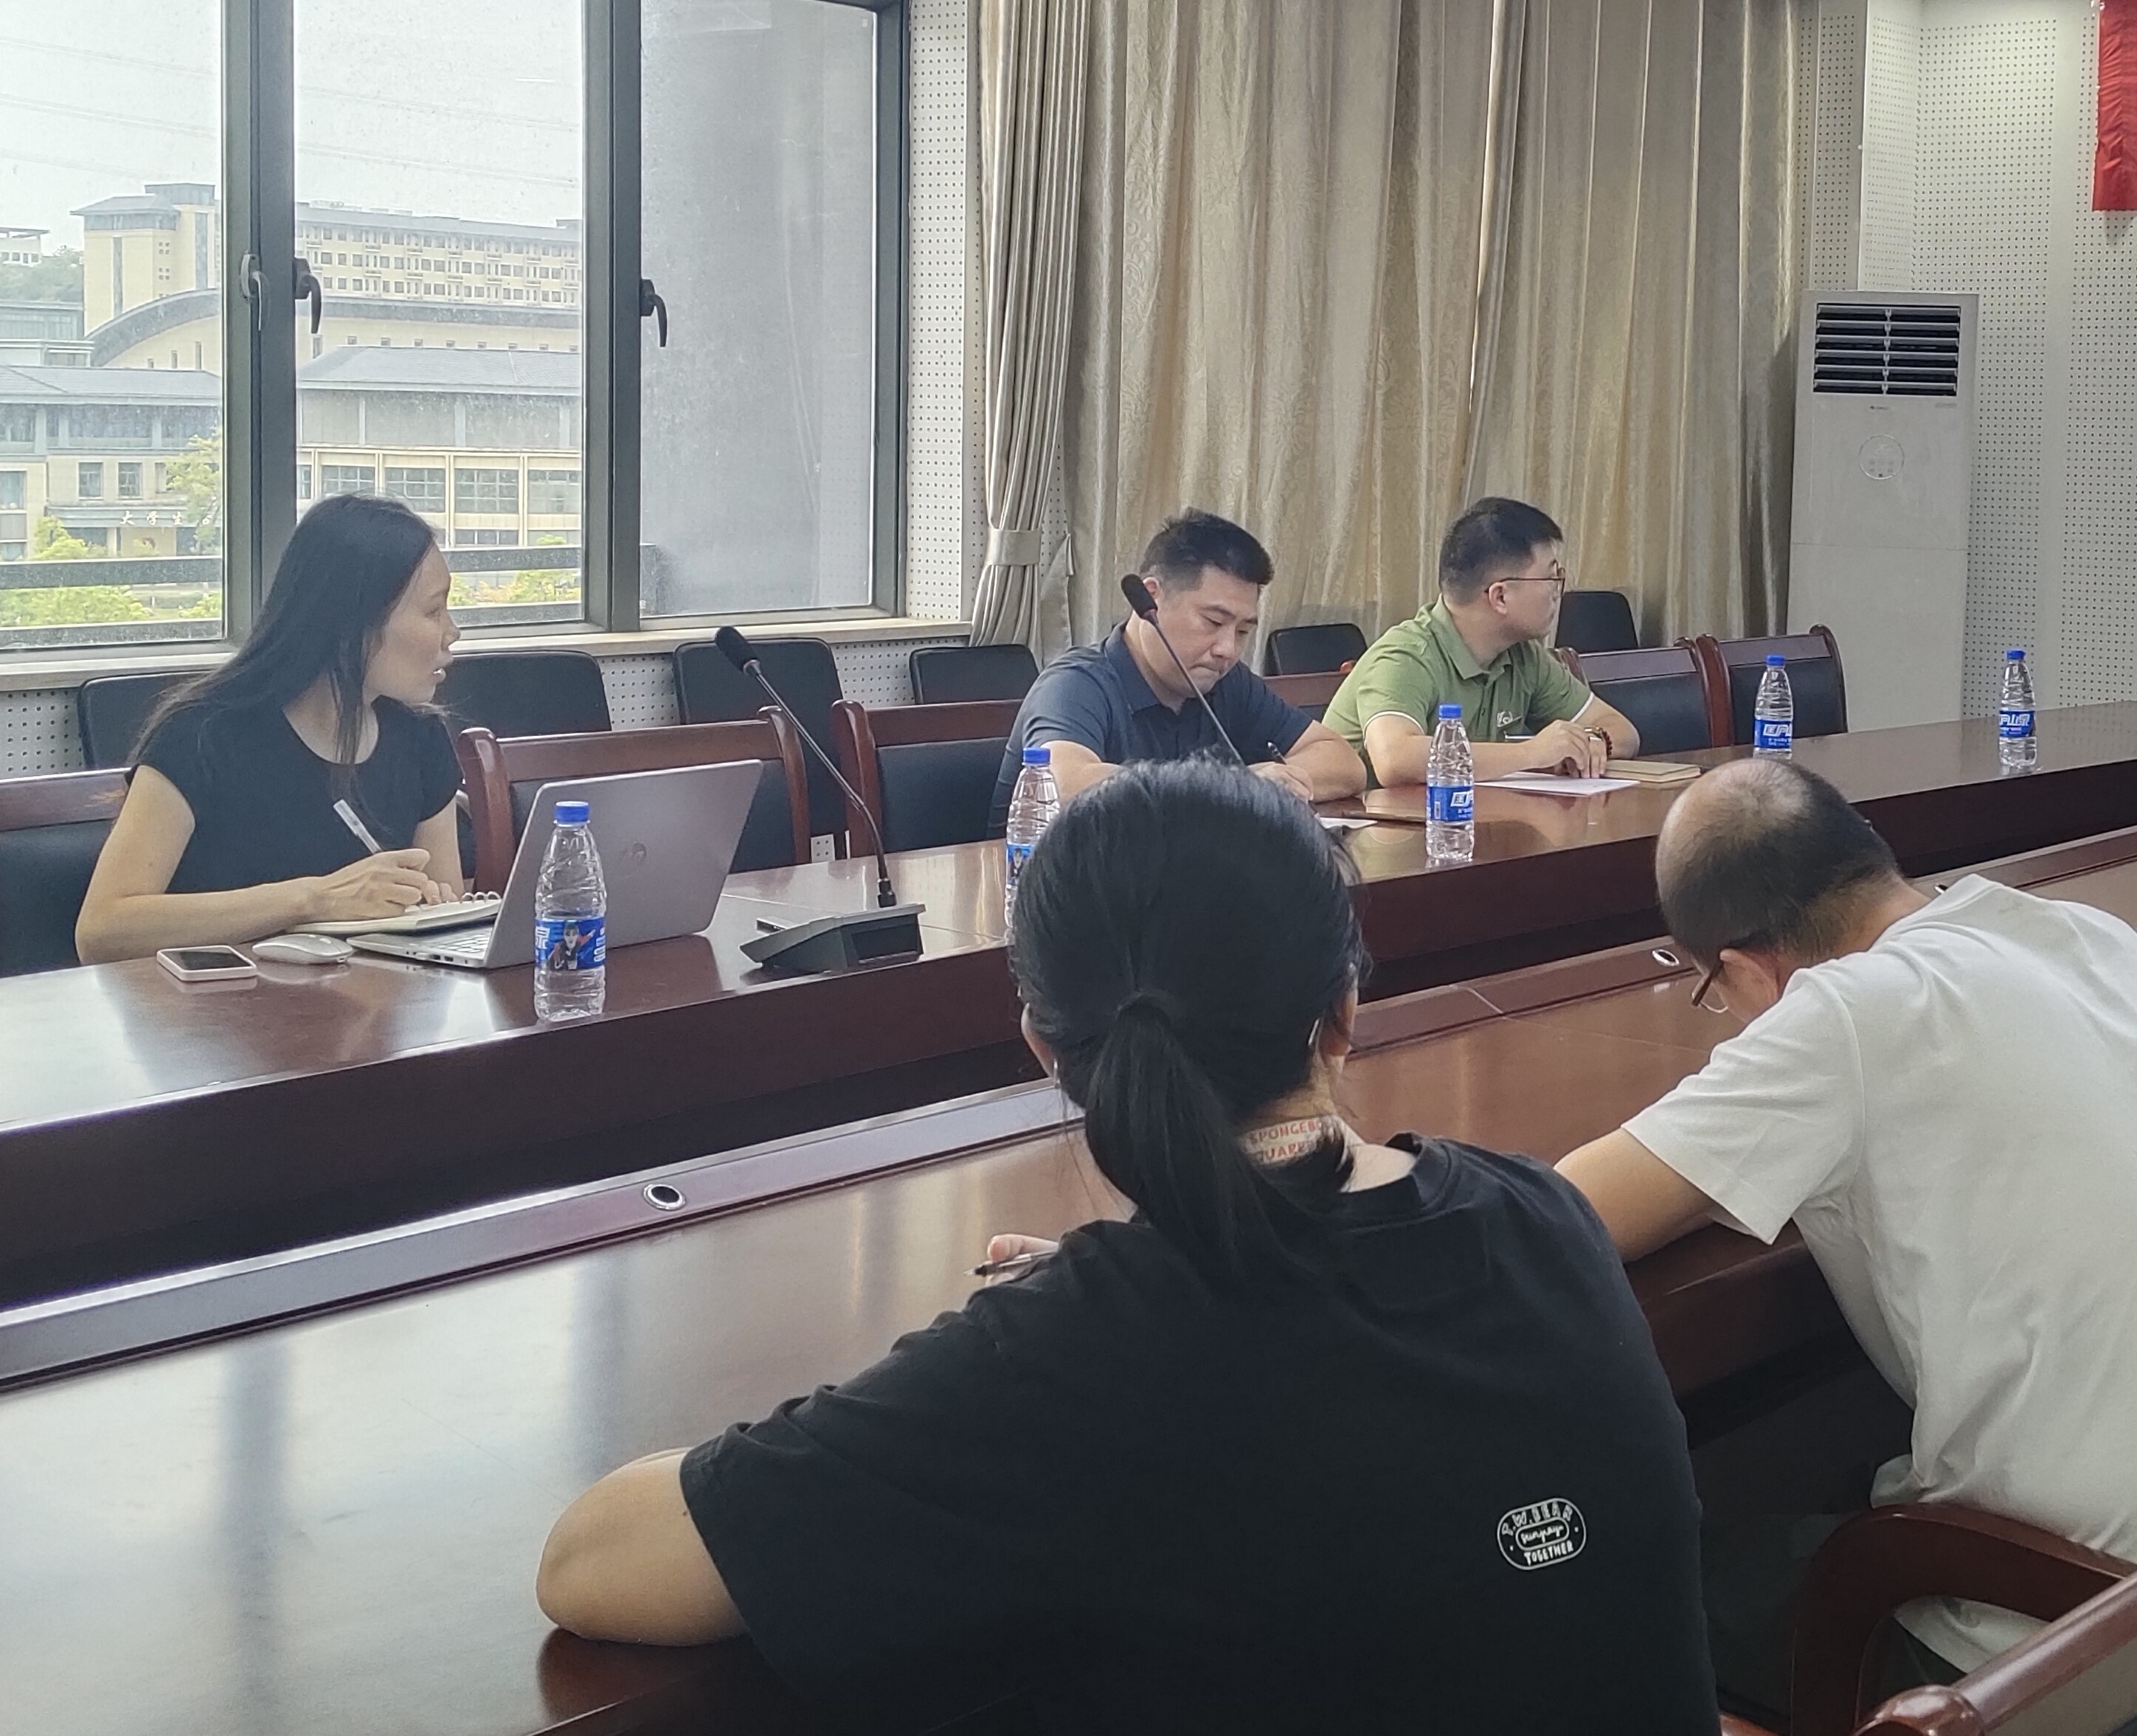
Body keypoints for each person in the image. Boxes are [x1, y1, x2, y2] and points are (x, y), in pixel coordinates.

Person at [538, 763, 1717, 1735]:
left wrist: (1047, 1329)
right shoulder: (1547, 1216)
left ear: (1043, 1047)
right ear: (1346, 1011)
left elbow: (591, 1562)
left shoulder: (1078, 1358)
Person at [1556, 760, 2137, 1709]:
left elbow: (1565, 1214)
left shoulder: (1846, 1012)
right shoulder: (2088, 933)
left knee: (1623, 1595)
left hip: (2055, 1640)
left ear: (1742, 968)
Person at [73, 494, 464, 963]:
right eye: (433, 611)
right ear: (354, 622)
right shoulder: (201, 735)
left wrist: (435, 909)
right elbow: (100, 931)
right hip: (214, 1003)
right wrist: (313, 899)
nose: (452, 631)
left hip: (368, 1001)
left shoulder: (421, 738)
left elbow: (442, 926)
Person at [1006, 508, 1367, 804]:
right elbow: (1063, 786)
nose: (1228, 649)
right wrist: (1227, 786)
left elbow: (1342, 763)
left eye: (1243, 631)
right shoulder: (1074, 683)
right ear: (1152, 598)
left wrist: (1268, 784)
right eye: (1214, 622)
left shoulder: (1227, 682)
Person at [1323, 497, 1638, 787]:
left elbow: (1622, 731)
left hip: (1472, 822)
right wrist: (1531, 754)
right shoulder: (1407, 655)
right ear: (1500, 596)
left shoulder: (1523, 656)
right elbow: (1395, 760)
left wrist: (1593, 741)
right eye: (1551, 578)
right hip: (1367, 827)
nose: (1558, 591)